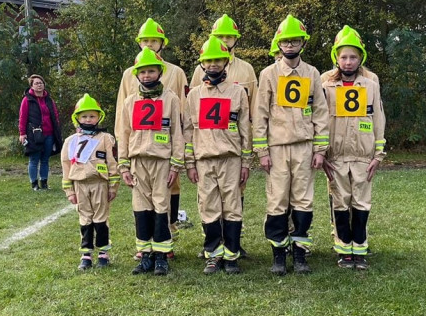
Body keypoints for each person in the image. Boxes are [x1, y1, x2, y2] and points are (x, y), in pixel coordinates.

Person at [252, 14, 330, 275]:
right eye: (285, 41)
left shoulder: (312, 73)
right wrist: (262, 151)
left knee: (303, 200)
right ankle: (278, 253)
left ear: (302, 43)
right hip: (276, 148)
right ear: (278, 43)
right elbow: (260, 114)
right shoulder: (268, 74)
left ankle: (299, 253)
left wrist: (320, 150)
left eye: (294, 41)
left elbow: (320, 112)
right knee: (276, 201)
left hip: (304, 148)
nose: (289, 46)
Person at [189, 14, 258, 258]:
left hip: (232, 148)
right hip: (207, 149)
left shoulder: (247, 70)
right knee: (208, 202)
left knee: (234, 199)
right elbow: (193, 117)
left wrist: (248, 152)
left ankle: (233, 246)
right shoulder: (199, 78)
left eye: (229, 37)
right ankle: (211, 247)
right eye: (220, 36)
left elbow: (252, 110)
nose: (225, 40)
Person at [115, 18, 189, 245]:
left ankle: (169, 230)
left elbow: (182, 111)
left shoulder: (175, 72)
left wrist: (181, 149)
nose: (149, 44)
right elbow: (123, 113)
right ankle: (146, 243)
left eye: (153, 40)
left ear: (162, 43)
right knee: (142, 199)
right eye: (145, 40)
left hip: (165, 146)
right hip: (140, 146)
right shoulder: (130, 73)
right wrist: (122, 153)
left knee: (168, 190)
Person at [321, 27, 386, 270]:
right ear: (336, 58)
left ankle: (360, 248)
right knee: (340, 201)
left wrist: (378, 155)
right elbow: (319, 119)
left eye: (353, 57)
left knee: (361, 202)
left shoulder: (370, 84)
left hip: (362, 156)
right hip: (336, 156)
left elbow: (378, 119)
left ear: (361, 58)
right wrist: (321, 153)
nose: (348, 62)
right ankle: (343, 249)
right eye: (344, 57)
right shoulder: (325, 84)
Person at [61, 94, 120, 271]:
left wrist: (113, 186)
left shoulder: (105, 138)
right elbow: (65, 166)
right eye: (84, 116)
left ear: (99, 117)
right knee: (85, 218)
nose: (88, 119)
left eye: (92, 116)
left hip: (100, 184)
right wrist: (69, 190)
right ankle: (86, 254)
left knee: (101, 218)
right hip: (80, 184)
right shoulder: (70, 141)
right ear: (77, 118)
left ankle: (103, 252)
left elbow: (112, 163)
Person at [19, 74, 61, 191]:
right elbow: (22, 118)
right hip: (34, 134)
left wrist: (57, 130)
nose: (39, 85)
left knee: (45, 159)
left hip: (49, 134)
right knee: (34, 159)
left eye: (41, 83)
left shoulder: (49, 100)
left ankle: (44, 182)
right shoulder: (27, 100)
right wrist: (22, 133)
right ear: (31, 86)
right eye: (36, 83)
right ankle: (34, 184)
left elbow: (55, 115)